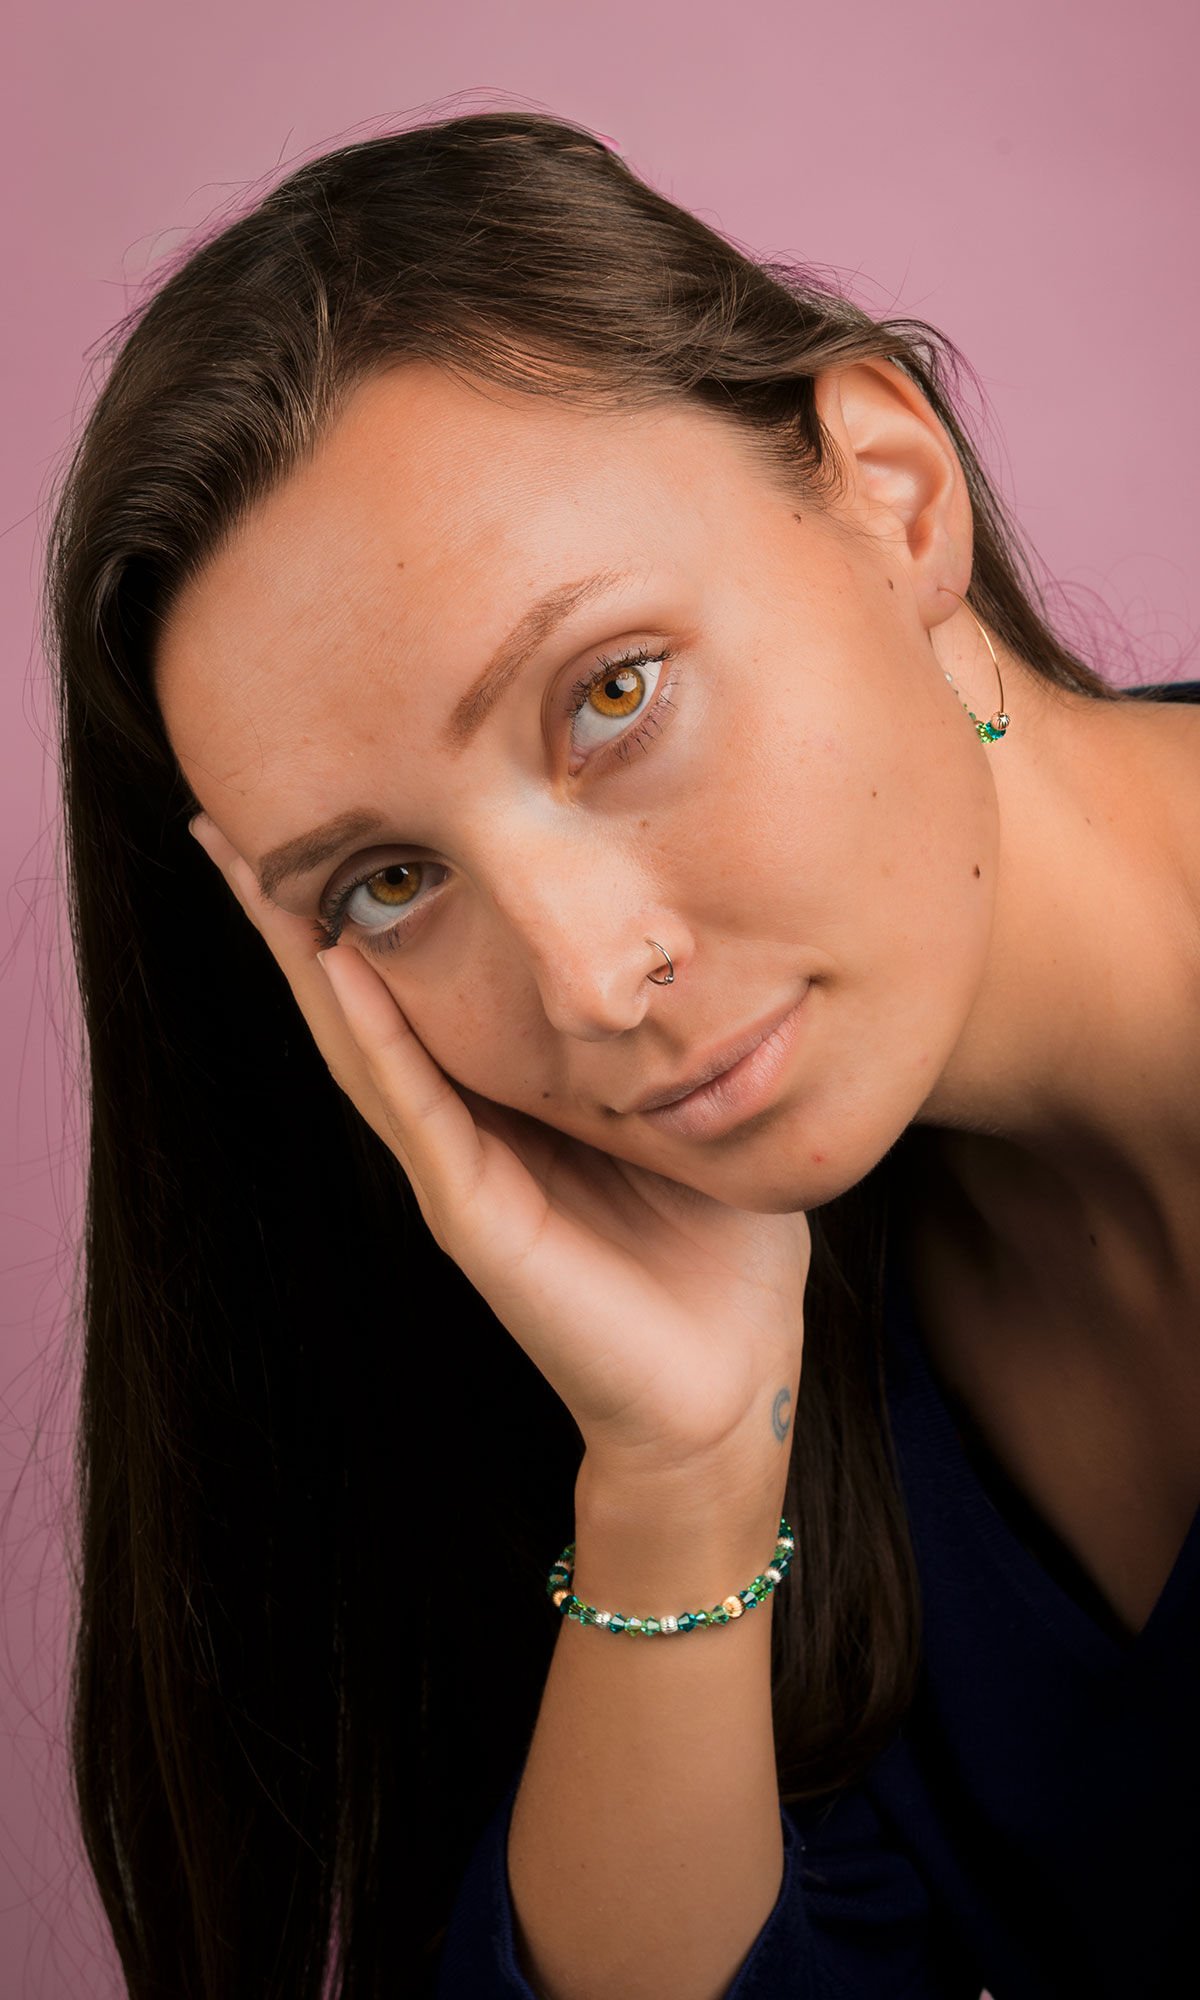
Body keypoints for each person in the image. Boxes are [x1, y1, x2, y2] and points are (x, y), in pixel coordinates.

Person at [40, 108, 1198, 2000]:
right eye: (395, 881)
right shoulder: (719, 1336)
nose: (583, 982)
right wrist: (676, 1474)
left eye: (612, 693)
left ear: (895, 499)